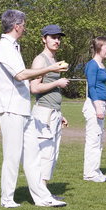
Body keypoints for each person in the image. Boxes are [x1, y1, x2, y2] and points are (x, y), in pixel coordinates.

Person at [0, 9, 67, 208]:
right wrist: (51, 68)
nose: (25, 28)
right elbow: (21, 75)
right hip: (10, 109)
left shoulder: (13, 46)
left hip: (23, 109)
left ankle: (42, 197)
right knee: (12, 156)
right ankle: (7, 199)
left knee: (33, 155)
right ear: (16, 26)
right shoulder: (4, 46)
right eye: (23, 25)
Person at [30, 25, 69, 195]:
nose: (57, 40)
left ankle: (43, 190)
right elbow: (34, 88)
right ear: (44, 39)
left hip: (53, 113)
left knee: (52, 154)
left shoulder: (54, 61)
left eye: (59, 37)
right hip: (43, 113)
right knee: (45, 153)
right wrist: (57, 83)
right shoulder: (41, 60)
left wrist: (60, 114)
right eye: (53, 37)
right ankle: (41, 193)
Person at [83, 37, 106, 182]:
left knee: (99, 140)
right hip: (93, 105)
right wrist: (97, 108)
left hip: (101, 103)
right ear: (99, 48)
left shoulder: (101, 65)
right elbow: (92, 87)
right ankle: (89, 173)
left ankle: (95, 169)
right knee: (93, 140)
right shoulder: (92, 65)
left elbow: (102, 87)